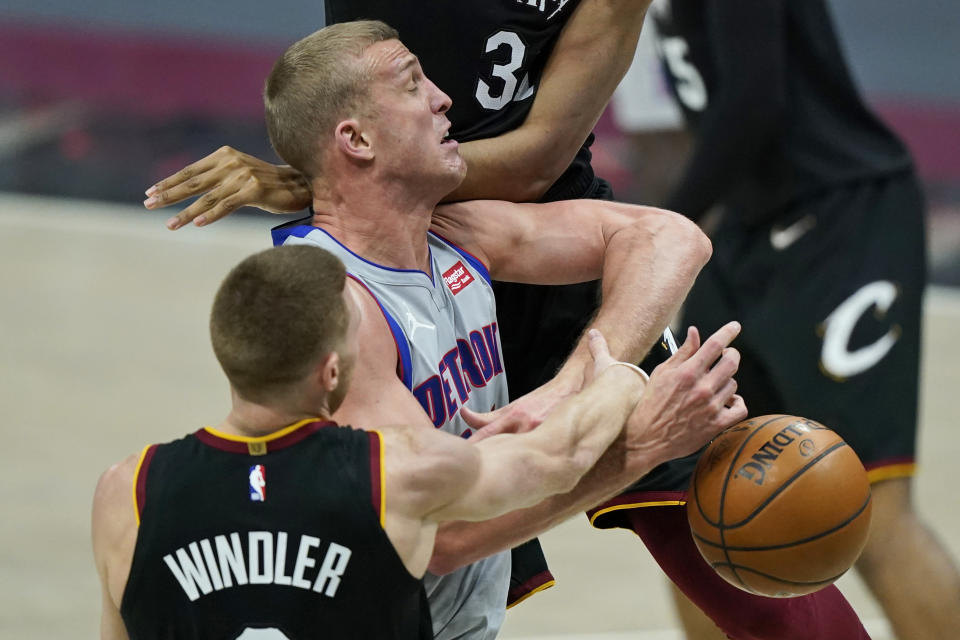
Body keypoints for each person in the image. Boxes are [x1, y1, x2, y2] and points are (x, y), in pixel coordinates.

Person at [143, 9, 876, 640]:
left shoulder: (457, 237)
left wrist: (580, 380)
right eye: (412, 85)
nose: (445, 100)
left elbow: (671, 238)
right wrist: (638, 446)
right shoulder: (338, 311)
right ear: (356, 141)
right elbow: (444, 536)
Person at [91, 243, 654, 639]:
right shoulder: (396, 472)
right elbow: (558, 457)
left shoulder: (126, 492)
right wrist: (622, 379)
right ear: (331, 373)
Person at [649, 1, 960, 638]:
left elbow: (755, 100)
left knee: (868, 507)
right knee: (701, 509)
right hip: (741, 230)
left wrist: (661, 227)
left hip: (842, 220)